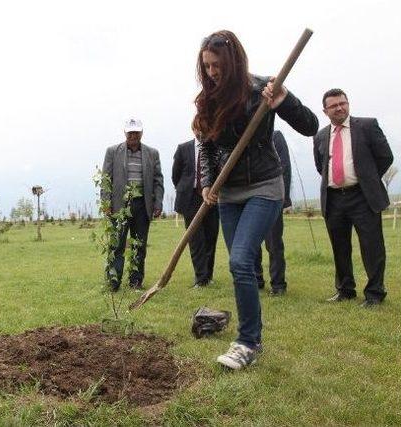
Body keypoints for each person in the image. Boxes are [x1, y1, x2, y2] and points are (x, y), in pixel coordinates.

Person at [195, 31, 318, 369]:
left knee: (239, 261)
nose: (212, 72)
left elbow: (310, 126)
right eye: (206, 66)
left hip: (264, 185)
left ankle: (248, 342)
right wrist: (207, 183)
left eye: (217, 65)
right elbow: (205, 146)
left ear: (233, 61)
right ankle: (250, 334)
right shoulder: (208, 99)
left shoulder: (262, 89)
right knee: (242, 266)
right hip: (229, 193)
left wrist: (284, 100)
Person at [313, 88, 393, 307]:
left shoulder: (367, 126)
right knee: (340, 246)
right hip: (334, 198)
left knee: (372, 246)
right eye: (334, 105)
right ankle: (345, 290)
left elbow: (385, 156)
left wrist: (367, 177)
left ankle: (375, 293)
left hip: (363, 196)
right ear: (325, 110)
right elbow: (321, 166)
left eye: (343, 103)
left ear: (348, 103)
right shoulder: (320, 136)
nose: (339, 108)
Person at [102, 118, 164, 291]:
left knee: (139, 245)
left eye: (136, 132)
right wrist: (106, 202)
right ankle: (113, 282)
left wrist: (157, 202)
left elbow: (158, 180)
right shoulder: (112, 152)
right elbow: (106, 180)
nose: (133, 135)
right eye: (130, 132)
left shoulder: (152, 153)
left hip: (142, 206)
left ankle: (135, 282)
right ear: (125, 133)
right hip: (119, 206)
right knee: (117, 245)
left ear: (141, 133)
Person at [171, 138, 219, 288]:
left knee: (211, 236)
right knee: (195, 239)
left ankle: (208, 275)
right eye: (198, 128)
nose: (201, 132)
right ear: (194, 129)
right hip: (190, 198)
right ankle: (201, 278)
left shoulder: (215, 146)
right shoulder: (183, 148)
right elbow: (175, 175)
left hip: (212, 196)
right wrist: (185, 189)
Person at [255, 130, 291, 296]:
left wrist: (283, 197)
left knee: (273, 243)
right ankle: (256, 280)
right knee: (252, 244)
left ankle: (278, 284)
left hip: (272, 198)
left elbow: (285, 168)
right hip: (248, 200)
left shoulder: (275, 136)